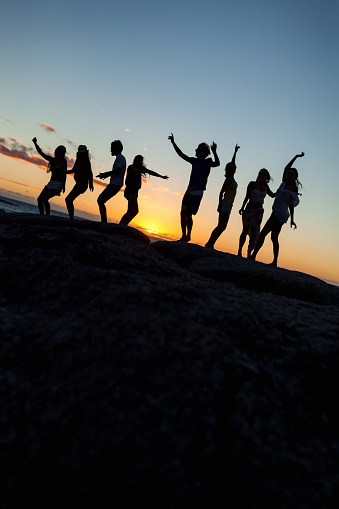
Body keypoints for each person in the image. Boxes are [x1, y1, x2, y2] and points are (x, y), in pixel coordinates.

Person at [250, 152, 304, 266]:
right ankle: (274, 261)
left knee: (263, 233)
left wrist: (292, 219)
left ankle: (254, 255)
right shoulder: (283, 183)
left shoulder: (293, 188)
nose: (289, 175)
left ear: (295, 177)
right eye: (289, 173)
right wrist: (296, 157)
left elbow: (291, 204)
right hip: (276, 212)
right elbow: (286, 167)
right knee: (274, 237)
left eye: (292, 174)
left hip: (280, 214)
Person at [168, 133, 220, 242]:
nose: (196, 150)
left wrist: (215, 152)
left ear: (205, 153)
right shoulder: (194, 161)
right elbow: (181, 154)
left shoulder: (207, 162)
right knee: (183, 213)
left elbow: (217, 164)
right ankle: (184, 235)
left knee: (188, 214)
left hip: (197, 192)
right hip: (189, 190)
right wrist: (173, 142)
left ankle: (189, 235)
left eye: (199, 149)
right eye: (197, 149)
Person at [205, 144, 240, 249]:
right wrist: (219, 205)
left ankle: (211, 243)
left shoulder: (232, 178)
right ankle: (210, 243)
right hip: (225, 204)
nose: (233, 169)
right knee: (221, 226)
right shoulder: (228, 179)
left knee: (222, 226)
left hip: (229, 205)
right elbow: (221, 192)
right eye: (231, 168)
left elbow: (233, 162)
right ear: (228, 170)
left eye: (234, 168)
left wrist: (235, 152)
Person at [120, 155, 168, 225]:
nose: (139, 162)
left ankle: (121, 225)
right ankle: (123, 225)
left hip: (134, 192)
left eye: (140, 161)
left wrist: (161, 176)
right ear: (135, 160)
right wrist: (142, 170)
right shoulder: (131, 167)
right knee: (135, 211)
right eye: (138, 160)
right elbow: (135, 170)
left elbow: (151, 172)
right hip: (130, 191)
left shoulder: (140, 168)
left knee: (130, 211)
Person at [237, 168, 275, 257]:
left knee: (254, 232)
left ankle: (249, 252)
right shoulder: (252, 184)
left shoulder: (266, 187)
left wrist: (282, 191)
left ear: (266, 177)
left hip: (259, 211)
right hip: (250, 208)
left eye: (263, 174)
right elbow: (247, 196)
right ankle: (239, 250)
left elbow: (272, 195)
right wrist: (242, 207)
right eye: (260, 174)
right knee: (245, 230)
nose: (261, 176)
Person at [32, 137, 67, 215]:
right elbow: (41, 153)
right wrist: (35, 143)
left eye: (61, 151)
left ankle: (47, 215)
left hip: (58, 184)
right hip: (51, 182)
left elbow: (64, 173)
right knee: (40, 199)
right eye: (58, 150)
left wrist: (64, 185)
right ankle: (42, 215)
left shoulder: (63, 161)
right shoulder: (52, 160)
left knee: (45, 199)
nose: (58, 152)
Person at [96, 140, 126, 222]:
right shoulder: (121, 158)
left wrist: (106, 174)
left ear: (116, 148)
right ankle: (104, 221)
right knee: (101, 200)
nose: (110, 150)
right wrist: (106, 175)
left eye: (112, 148)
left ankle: (104, 222)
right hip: (116, 184)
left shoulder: (120, 158)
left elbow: (118, 170)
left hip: (115, 184)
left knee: (100, 200)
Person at [65, 145, 94, 219]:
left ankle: (71, 218)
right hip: (79, 183)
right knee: (69, 199)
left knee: (69, 199)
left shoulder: (86, 161)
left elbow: (90, 172)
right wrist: (64, 172)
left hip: (82, 184)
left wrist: (91, 183)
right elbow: (73, 170)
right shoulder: (78, 160)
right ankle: (71, 217)